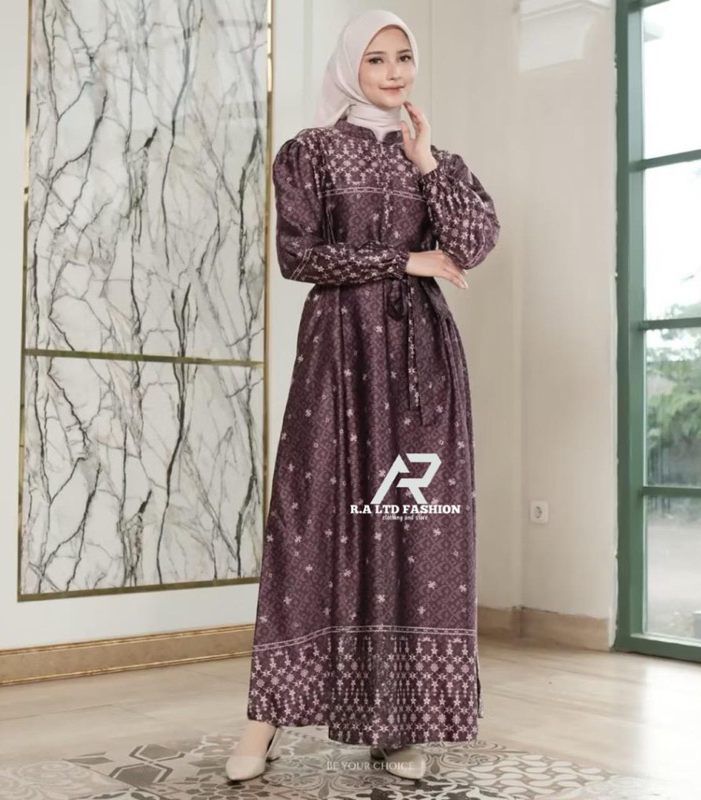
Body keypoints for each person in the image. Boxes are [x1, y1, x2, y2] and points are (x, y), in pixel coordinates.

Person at [226, 7, 500, 784]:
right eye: (376, 58)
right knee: (310, 523)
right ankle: (263, 722)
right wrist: (404, 261)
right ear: (351, 66)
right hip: (338, 358)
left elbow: (472, 242)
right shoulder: (309, 152)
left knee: (414, 528)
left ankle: (398, 723)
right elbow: (300, 255)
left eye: (403, 57)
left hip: (422, 365)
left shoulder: (438, 160)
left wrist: (425, 162)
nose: (393, 72)